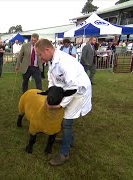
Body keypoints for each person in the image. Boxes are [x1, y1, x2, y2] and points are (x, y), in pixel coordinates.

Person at [34, 38, 92, 166]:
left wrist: (60, 104)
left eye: (40, 54)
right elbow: (52, 80)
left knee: (66, 122)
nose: (40, 57)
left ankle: (64, 154)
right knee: (65, 119)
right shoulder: (51, 60)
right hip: (68, 90)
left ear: (47, 50)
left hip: (78, 92)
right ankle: (69, 140)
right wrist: (50, 93)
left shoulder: (64, 62)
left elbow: (73, 87)